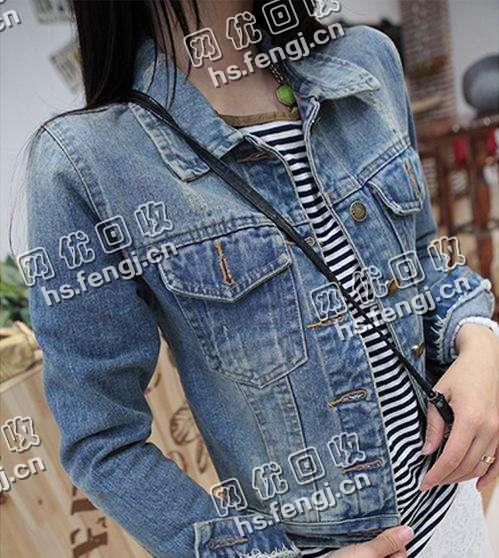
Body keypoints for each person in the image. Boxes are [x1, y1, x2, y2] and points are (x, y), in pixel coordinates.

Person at [24, 1, 499, 557]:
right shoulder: (87, 162)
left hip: (456, 506)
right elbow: (103, 441)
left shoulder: (366, 61)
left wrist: (479, 342)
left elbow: (420, 259)